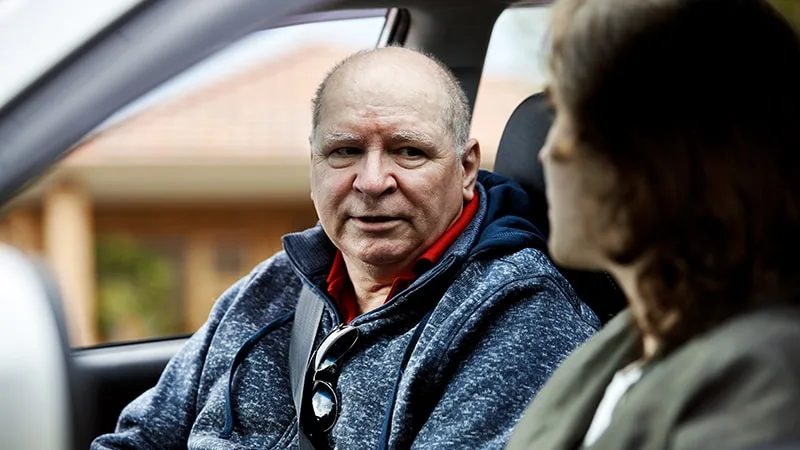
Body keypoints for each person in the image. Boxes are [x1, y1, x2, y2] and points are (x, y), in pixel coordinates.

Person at [92, 46, 599, 449]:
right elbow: (139, 440)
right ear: (312, 166)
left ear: (466, 169)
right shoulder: (272, 287)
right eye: (345, 151)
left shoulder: (520, 317)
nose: (373, 181)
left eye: (408, 151)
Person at [506, 0, 800, 449]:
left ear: (650, 159)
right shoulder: (632, 339)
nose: (546, 151)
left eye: (564, 114)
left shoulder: (765, 377)